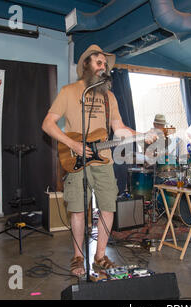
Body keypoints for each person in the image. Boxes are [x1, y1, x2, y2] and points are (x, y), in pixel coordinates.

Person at [42, 44, 141, 276]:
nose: (103, 67)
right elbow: (47, 123)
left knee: (108, 207)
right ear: (86, 64)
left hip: (104, 161)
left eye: (105, 64)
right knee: (77, 210)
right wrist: (73, 144)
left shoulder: (110, 97)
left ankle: (100, 256)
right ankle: (78, 256)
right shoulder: (69, 91)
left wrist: (144, 135)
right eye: (99, 63)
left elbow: (119, 128)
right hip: (76, 159)